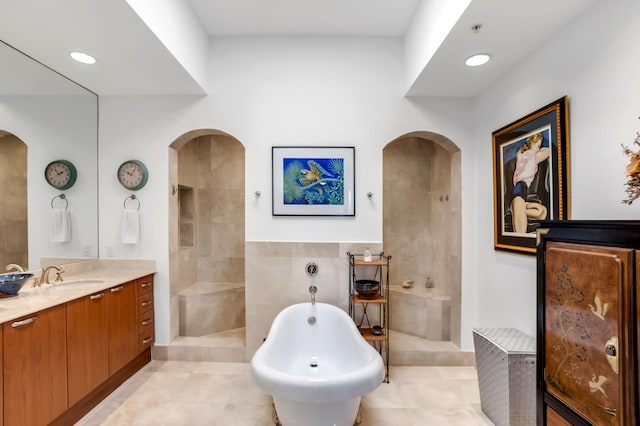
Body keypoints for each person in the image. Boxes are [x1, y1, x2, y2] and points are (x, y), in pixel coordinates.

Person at [510, 132, 549, 233]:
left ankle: (518, 208)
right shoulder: (534, 157)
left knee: (542, 212)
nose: (538, 148)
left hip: (519, 189)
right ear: (532, 144)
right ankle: (518, 209)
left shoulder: (520, 155)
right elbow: (548, 151)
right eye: (538, 146)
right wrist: (540, 150)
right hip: (520, 188)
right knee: (520, 231)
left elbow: (519, 152)